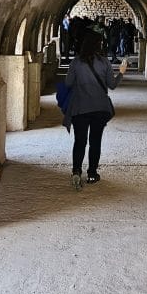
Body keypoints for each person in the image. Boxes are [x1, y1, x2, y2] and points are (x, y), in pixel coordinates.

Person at [62, 33, 127, 190]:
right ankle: (92, 173)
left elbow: (68, 83)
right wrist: (121, 72)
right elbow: (111, 85)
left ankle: (76, 170)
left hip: (80, 108)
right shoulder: (104, 62)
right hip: (99, 108)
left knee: (80, 141)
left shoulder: (76, 63)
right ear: (99, 45)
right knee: (95, 142)